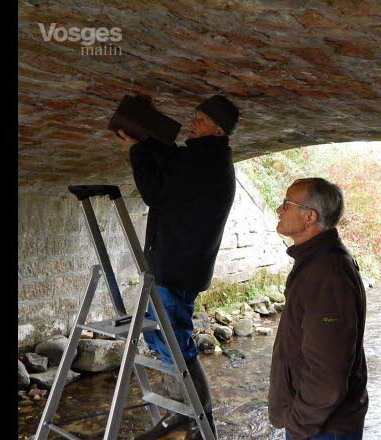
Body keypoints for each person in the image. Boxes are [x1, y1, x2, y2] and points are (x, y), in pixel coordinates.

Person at [116, 94, 240, 439]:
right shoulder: (207, 158)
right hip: (181, 266)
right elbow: (173, 162)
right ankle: (186, 418)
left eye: (199, 119)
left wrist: (137, 150)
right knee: (169, 342)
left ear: (217, 129)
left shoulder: (205, 162)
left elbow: (155, 191)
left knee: (174, 344)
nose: (192, 122)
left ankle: (194, 421)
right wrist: (145, 139)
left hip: (177, 268)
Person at [268, 178, 368, 440]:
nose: (279, 209)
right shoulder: (317, 262)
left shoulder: (327, 274)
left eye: (286, 204)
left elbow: (328, 375)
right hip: (320, 424)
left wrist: (299, 425)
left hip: (324, 429)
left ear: (309, 217)